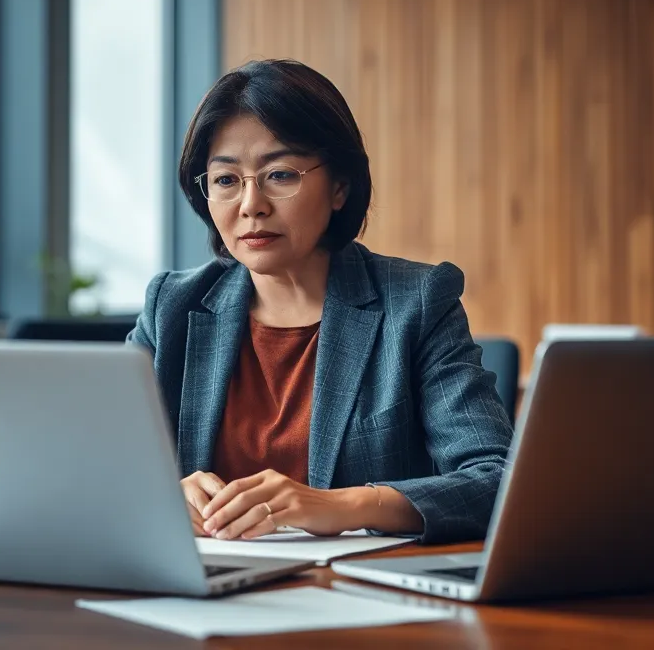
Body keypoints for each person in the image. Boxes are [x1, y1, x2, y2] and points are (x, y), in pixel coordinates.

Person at [128, 59, 512, 545]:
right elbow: (97, 466)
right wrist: (163, 493)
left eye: (280, 175)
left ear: (339, 187)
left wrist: (339, 505)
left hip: (359, 593)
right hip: (205, 586)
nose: (251, 205)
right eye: (226, 181)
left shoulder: (414, 303)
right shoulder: (173, 307)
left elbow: (496, 480)